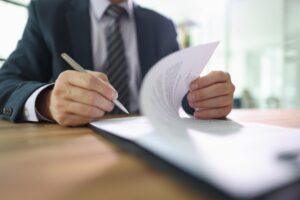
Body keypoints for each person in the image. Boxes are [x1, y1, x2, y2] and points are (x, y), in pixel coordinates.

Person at [0, 0, 235, 126]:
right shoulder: (48, 11)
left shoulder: (161, 26)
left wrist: (207, 97)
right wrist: (46, 101)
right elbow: (5, 82)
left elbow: (179, 92)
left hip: (153, 143)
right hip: (76, 148)